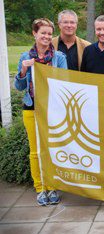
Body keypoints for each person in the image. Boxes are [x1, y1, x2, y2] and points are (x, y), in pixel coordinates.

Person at [14, 18, 67, 206]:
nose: (46, 36)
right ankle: (40, 188)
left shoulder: (59, 57)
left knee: (52, 148)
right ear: (34, 34)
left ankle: (52, 186)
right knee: (35, 150)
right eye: (42, 33)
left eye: (48, 33)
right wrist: (23, 69)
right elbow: (19, 86)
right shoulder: (25, 56)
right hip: (32, 107)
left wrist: (53, 73)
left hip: (52, 110)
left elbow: (65, 82)